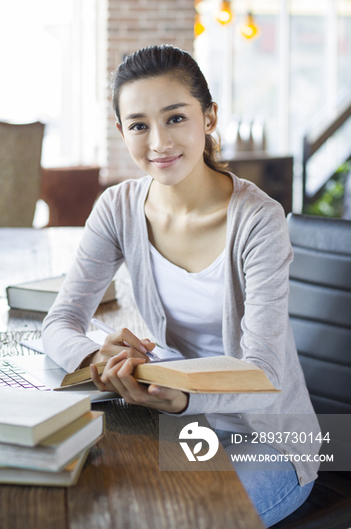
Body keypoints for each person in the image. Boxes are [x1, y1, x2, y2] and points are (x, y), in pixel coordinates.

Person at [42, 44, 320, 527]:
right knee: (92, 499)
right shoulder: (118, 208)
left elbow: (263, 373)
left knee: (176, 519)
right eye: (139, 125)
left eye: (175, 118)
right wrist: (95, 358)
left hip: (267, 439)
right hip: (177, 423)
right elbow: (61, 322)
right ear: (121, 131)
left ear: (208, 118)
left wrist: (187, 396)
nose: (158, 143)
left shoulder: (258, 221)